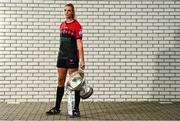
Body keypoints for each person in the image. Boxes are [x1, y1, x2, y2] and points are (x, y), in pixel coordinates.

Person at [46, 3, 85, 117]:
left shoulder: (77, 25)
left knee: (75, 83)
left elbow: (80, 44)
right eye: (65, 10)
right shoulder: (62, 25)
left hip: (72, 57)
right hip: (61, 57)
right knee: (60, 81)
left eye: (69, 10)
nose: (66, 12)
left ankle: (76, 109)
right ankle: (57, 108)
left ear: (72, 12)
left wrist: (82, 60)